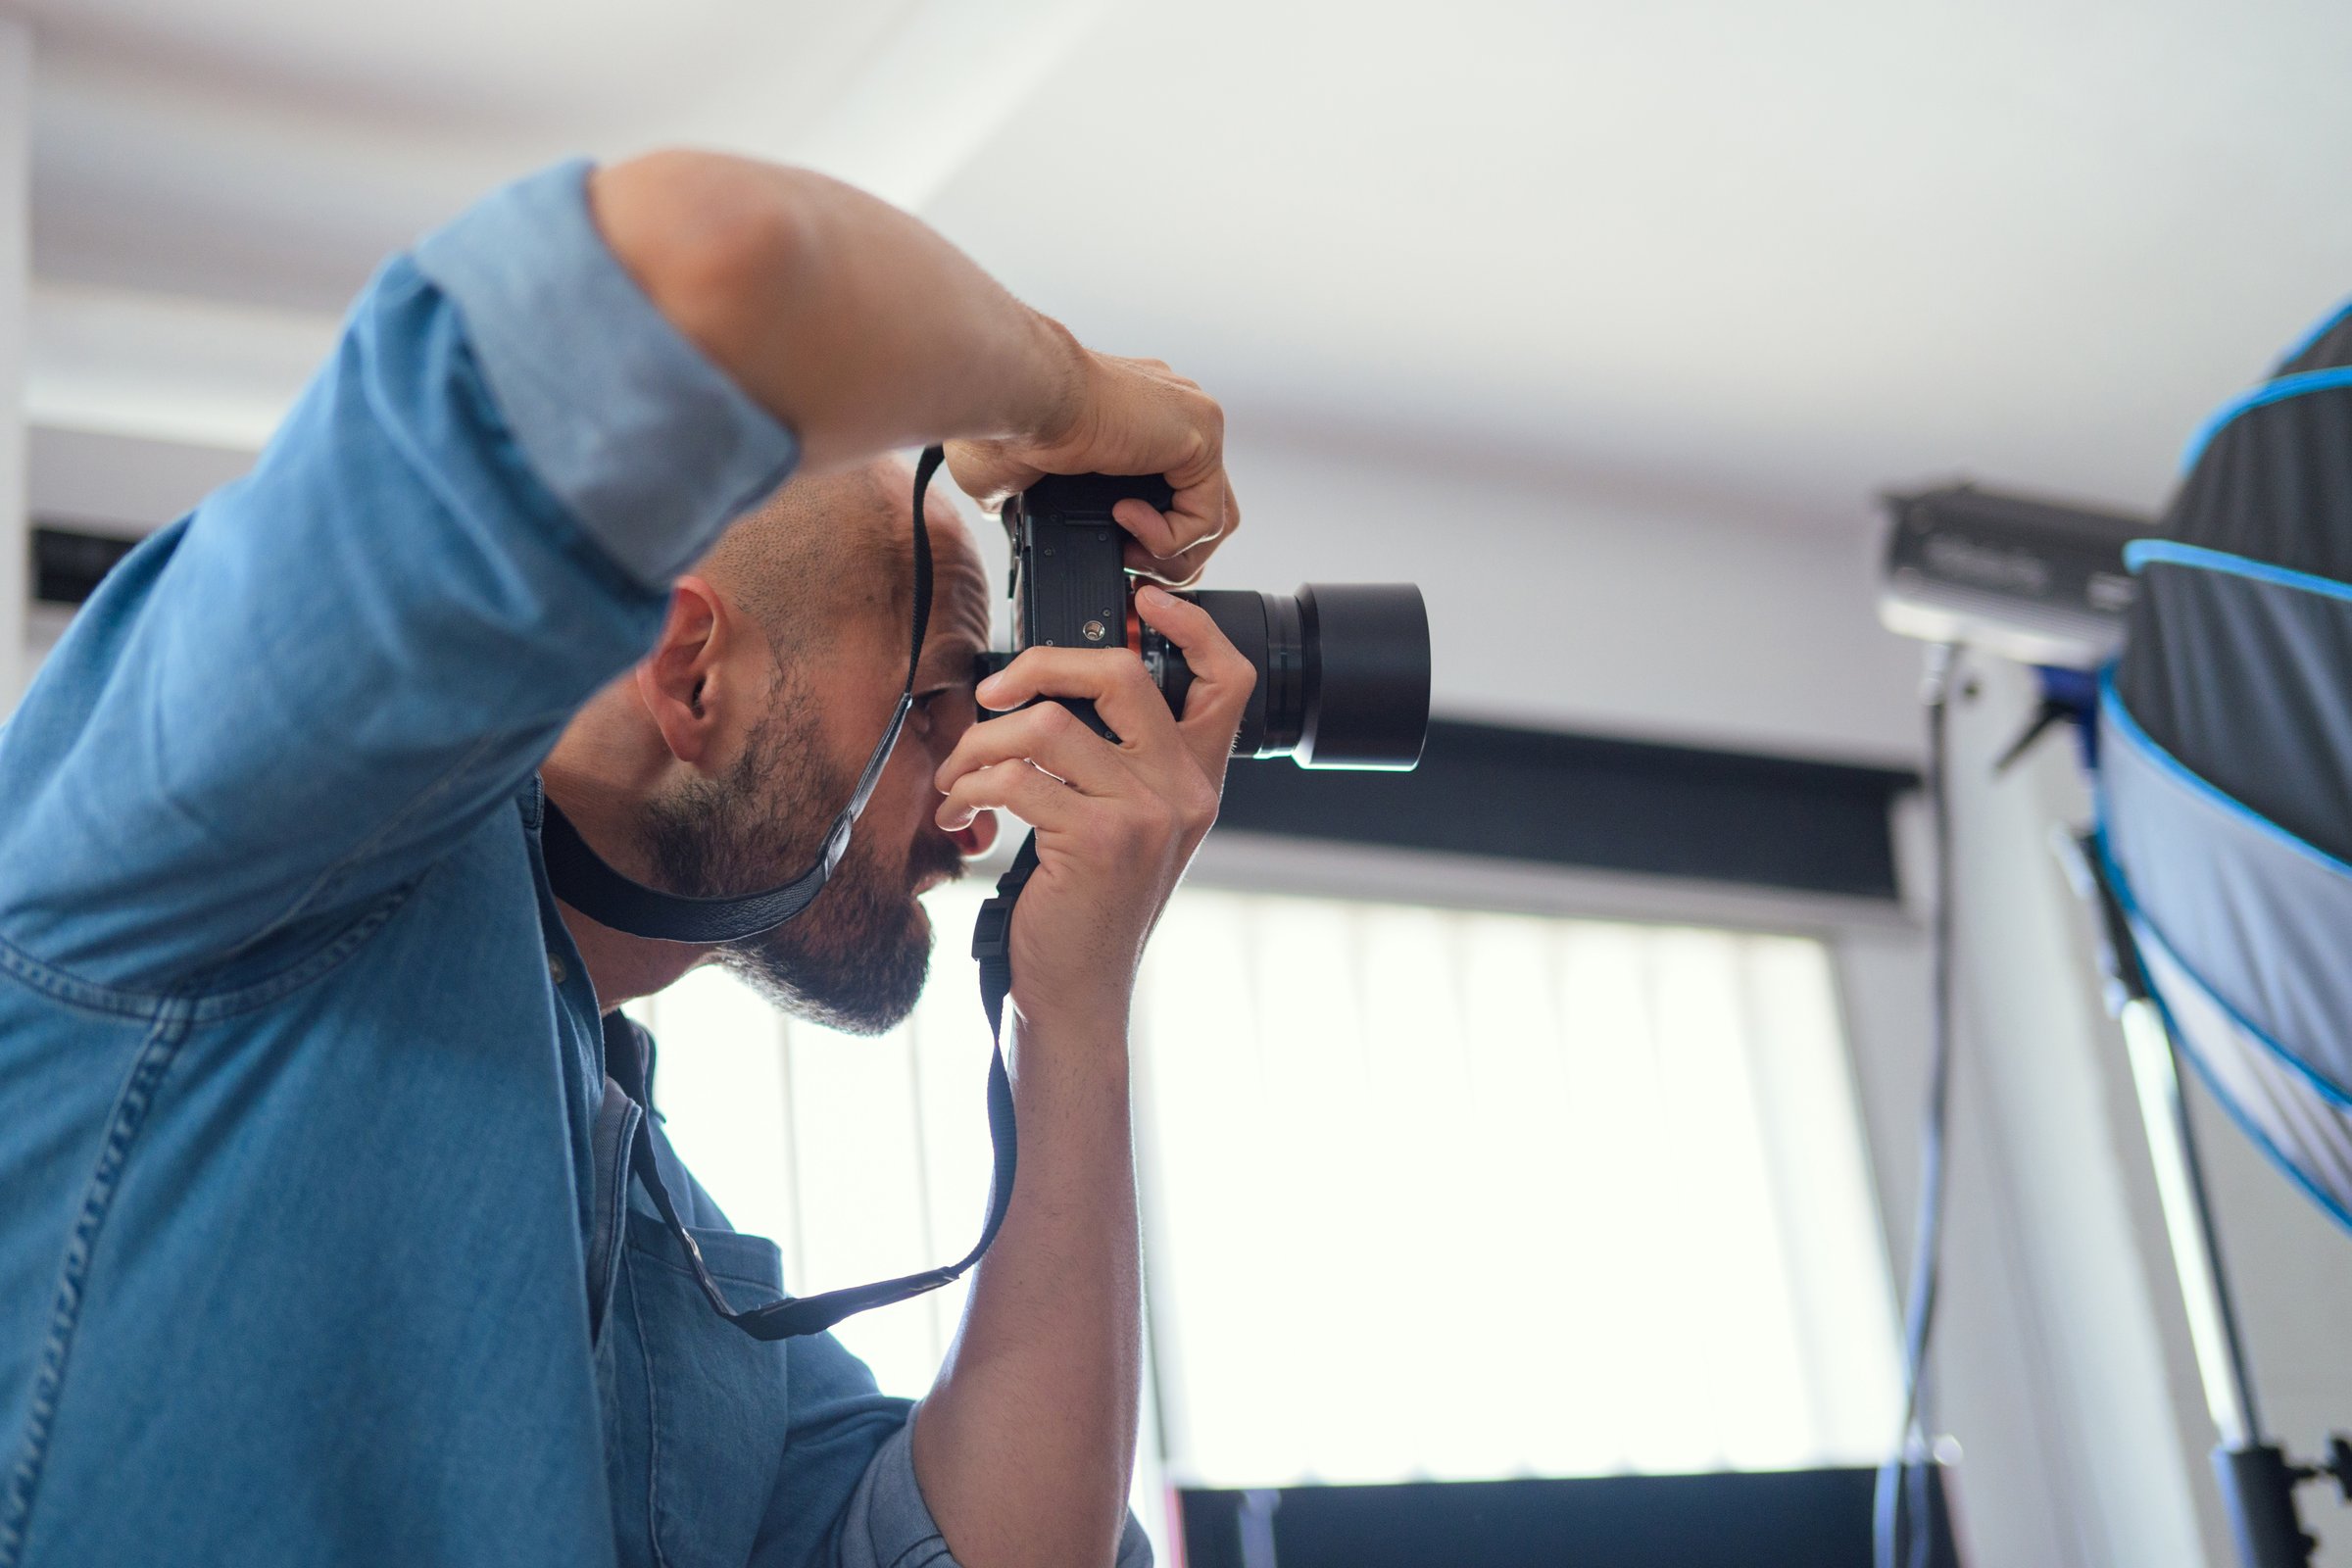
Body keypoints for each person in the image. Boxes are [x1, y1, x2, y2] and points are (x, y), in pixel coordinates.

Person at [0, 151, 1251, 1568]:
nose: (979, 804)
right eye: (938, 703)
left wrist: (1072, 1018)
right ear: (690, 671)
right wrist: (1063, 397)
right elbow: (705, 253)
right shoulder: (241, 808)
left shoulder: (679, 1281)